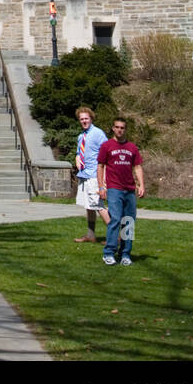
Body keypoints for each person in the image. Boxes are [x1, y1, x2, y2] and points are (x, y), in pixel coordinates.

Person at [97, 118, 144, 267]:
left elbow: (137, 167)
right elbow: (101, 166)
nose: (119, 130)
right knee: (116, 219)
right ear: (113, 128)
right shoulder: (107, 146)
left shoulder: (132, 148)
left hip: (129, 189)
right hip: (114, 188)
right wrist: (101, 186)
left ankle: (125, 254)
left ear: (125, 129)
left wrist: (141, 185)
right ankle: (109, 253)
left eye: (122, 128)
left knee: (128, 221)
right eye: (117, 127)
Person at [73, 105, 110, 243]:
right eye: (81, 119)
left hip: (95, 176)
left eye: (86, 118)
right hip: (84, 175)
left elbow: (107, 153)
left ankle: (115, 237)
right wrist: (77, 158)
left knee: (98, 206)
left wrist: (104, 178)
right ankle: (90, 235)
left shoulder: (98, 133)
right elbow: (79, 152)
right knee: (89, 206)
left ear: (91, 118)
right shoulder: (81, 136)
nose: (84, 121)